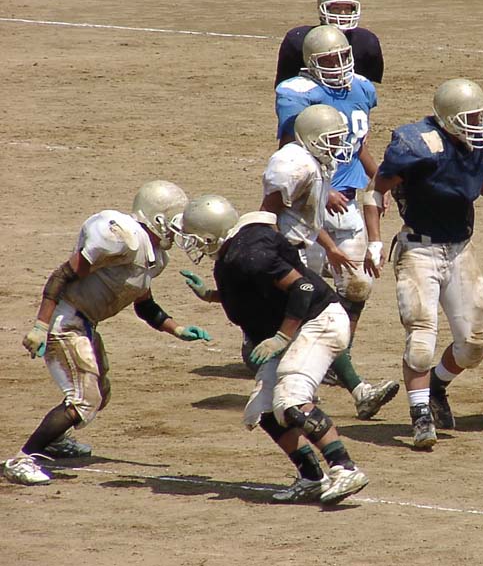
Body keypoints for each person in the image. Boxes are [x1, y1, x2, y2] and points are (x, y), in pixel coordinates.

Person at [362, 78, 483, 448]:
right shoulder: (418, 146)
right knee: (421, 339)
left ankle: (436, 386)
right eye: (470, 117)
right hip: (419, 250)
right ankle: (420, 415)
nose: (479, 124)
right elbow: (376, 189)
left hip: (460, 250)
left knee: (473, 346)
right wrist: (374, 240)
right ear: (448, 119)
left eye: (481, 115)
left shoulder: (480, 147)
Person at [185, 104, 399, 419]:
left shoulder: (315, 163)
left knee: (316, 316)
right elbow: (270, 213)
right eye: (331, 139)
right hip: (281, 251)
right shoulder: (295, 166)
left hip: (292, 248)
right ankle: (345, 390)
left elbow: (307, 220)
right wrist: (275, 257)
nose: (338, 146)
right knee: (317, 314)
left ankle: (347, 389)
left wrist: (328, 246)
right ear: (310, 138)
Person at [3, 181, 211, 485]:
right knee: (84, 400)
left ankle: (55, 441)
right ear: (156, 218)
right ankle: (23, 459)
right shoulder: (121, 239)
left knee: (100, 392)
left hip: (84, 323)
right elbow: (62, 276)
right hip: (65, 321)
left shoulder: (155, 257)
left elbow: (145, 305)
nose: (179, 230)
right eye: (174, 221)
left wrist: (177, 329)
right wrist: (40, 326)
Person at [177, 195, 369, 504]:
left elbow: (302, 288)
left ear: (210, 234)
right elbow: (259, 287)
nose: (193, 244)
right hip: (299, 327)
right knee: (263, 411)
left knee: (291, 401)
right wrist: (212, 295)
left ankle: (345, 467)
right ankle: (312, 477)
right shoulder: (235, 254)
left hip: (318, 321)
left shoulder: (248, 253)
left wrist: (281, 337)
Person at [275, 24, 381, 409]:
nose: (337, 66)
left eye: (342, 57)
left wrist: (380, 178)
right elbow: (291, 147)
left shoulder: (361, 88)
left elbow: (358, 143)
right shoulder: (297, 93)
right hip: (312, 202)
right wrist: (325, 187)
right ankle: (301, 354)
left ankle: (338, 355)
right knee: (307, 291)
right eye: (328, 60)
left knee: (358, 286)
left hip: (349, 203)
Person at [274, 0, 383, 88]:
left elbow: (369, 86)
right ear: (323, 9)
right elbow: (285, 85)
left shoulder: (367, 42)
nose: (343, 14)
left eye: (347, 8)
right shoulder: (297, 40)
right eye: (336, 8)